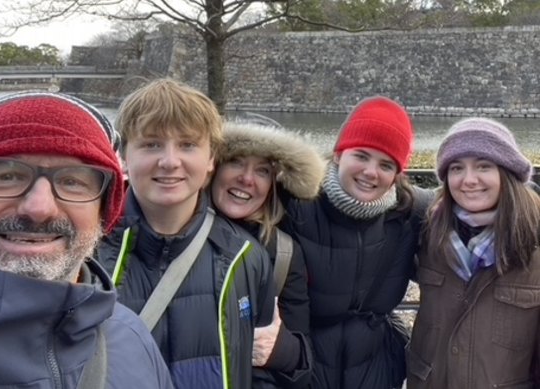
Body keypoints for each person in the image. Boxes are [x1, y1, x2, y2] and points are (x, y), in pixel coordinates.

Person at [0, 92, 174, 388]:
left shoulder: (132, 339)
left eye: (73, 181)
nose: (39, 208)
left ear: (103, 211)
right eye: (6, 176)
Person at [96, 78, 277, 389]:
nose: (169, 161)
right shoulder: (87, 256)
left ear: (211, 160)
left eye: (188, 145)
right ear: (124, 156)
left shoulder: (246, 257)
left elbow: (260, 372)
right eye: (151, 144)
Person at [279, 96, 432, 389]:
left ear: (397, 174)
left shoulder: (410, 212)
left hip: (376, 372)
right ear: (339, 155)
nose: (371, 172)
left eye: (386, 164)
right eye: (361, 156)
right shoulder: (295, 204)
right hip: (306, 372)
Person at [406, 118, 540, 388]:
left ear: (508, 173)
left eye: (483, 166)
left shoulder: (535, 240)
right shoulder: (429, 229)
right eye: (456, 168)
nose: (468, 180)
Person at [211, 119, 326, 388]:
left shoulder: (284, 253)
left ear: (273, 185)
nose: (247, 178)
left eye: (262, 171)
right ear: (213, 167)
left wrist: (279, 348)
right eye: (236, 161)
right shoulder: (176, 232)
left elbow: (302, 364)